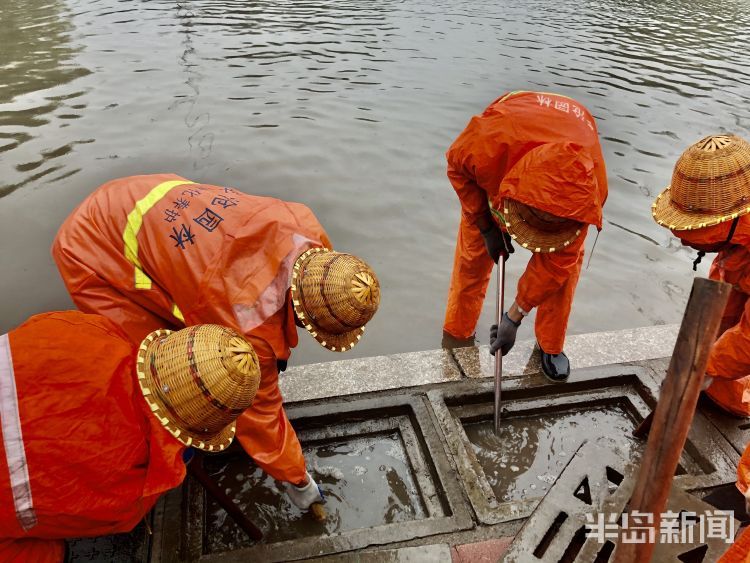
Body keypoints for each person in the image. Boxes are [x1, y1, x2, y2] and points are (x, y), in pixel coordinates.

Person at [52, 174, 380, 508]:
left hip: (139, 196)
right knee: (155, 364)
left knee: (188, 327)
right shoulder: (247, 326)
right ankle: (156, 451)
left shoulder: (303, 224)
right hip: (92, 249)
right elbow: (260, 417)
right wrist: (298, 479)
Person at [0, 311, 260, 562]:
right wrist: (173, 457)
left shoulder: (87, 327)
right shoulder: (122, 484)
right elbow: (119, 516)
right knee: (50, 552)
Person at [443, 90, 608, 382]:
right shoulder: (490, 144)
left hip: (566, 188)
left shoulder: (587, 195)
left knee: (562, 276)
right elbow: (457, 167)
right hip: (503, 169)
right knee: (472, 260)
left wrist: (514, 316)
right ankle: (457, 336)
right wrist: (485, 225)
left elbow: (555, 266)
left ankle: (551, 344)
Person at [652, 134, 750, 417]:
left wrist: (703, 368)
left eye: (696, 232)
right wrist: (695, 361)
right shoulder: (737, 238)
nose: (684, 241)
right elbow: (724, 309)